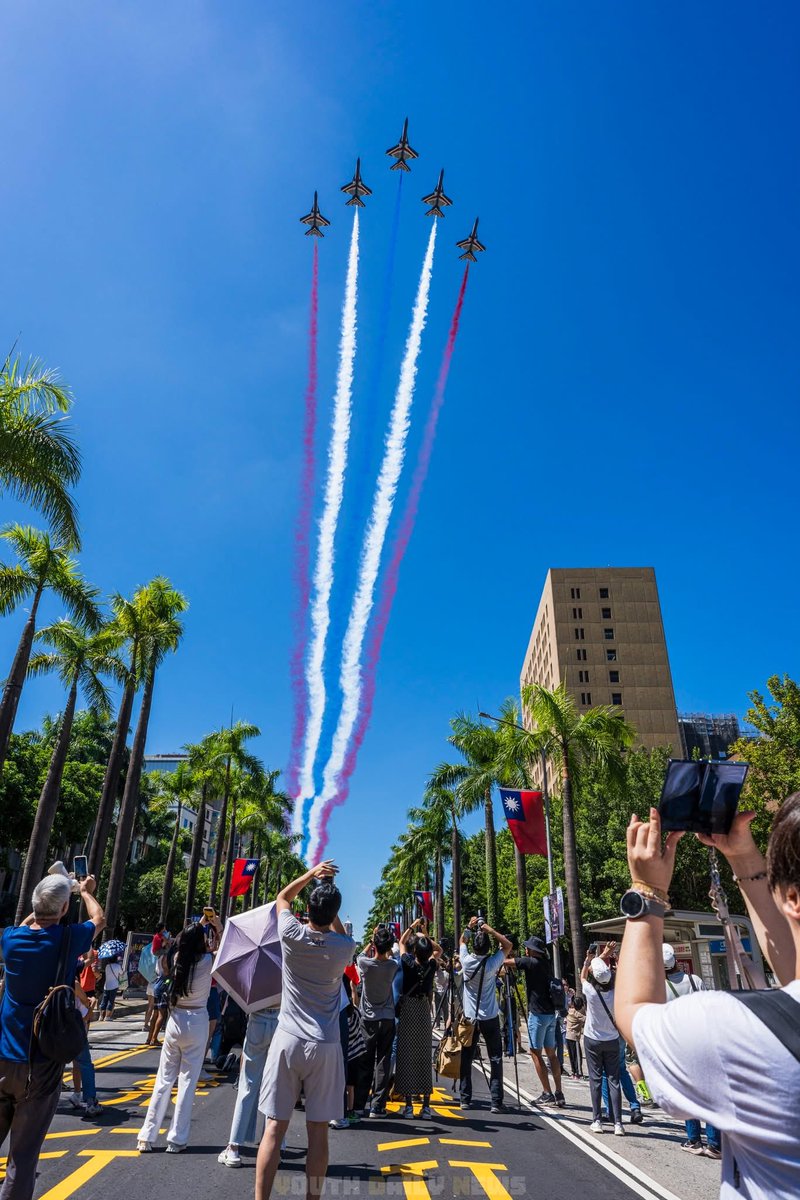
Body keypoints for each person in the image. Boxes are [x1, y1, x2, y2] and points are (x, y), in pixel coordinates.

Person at [616, 800, 800, 1199]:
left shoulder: (738, 1028)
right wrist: (744, 856)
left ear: (792, 899)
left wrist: (646, 893)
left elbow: (632, 1011)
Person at [0, 872, 104, 1200]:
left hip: (3, 1056)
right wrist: (84, 891)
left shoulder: (10, 939)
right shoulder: (67, 938)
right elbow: (98, 919)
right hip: (40, 1062)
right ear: (63, 909)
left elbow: (26, 922)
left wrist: (48, 895)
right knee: (23, 1157)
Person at [256, 862, 355, 1200]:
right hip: (325, 1043)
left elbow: (282, 897)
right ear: (334, 912)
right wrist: (330, 898)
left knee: (274, 1127)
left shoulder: (292, 934)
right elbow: (341, 933)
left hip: (288, 1038)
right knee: (318, 1133)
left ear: (307, 910)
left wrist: (312, 875)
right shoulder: (343, 948)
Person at [137, 913, 220, 1152]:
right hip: (197, 1020)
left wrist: (198, 926)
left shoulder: (176, 958)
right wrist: (216, 926)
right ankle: (176, 1139)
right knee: (187, 1082)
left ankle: (146, 1136)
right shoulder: (208, 961)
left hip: (175, 1021)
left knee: (163, 1080)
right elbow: (225, 949)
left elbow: (179, 941)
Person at [659, 943, 720, 1156]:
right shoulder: (695, 980)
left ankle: (694, 1140)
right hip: (702, 1040)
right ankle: (715, 1144)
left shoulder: (660, 987)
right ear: (676, 961)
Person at [218, 1002, 281, 1167]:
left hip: (258, 1018)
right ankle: (273, 1148)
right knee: (275, 1087)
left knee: (247, 1086)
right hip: (281, 1019)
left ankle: (233, 1148)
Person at [460, 916, 512, 1114]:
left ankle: (465, 1098)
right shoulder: (492, 963)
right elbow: (508, 945)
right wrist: (490, 930)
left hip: (470, 1018)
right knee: (495, 1058)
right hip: (490, 1016)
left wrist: (469, 926)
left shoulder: (466, 961)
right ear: (488, 948)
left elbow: (462, 941)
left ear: (473, 946)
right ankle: (496, 1102)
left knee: (466, 1058)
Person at [506, 934, 564, 1107]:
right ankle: (559, 1092)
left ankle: (547, 1093)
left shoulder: (531, 962)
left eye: (527, 947)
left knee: (535, 1053)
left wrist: (505, 952)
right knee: (551, 1054)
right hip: (550, 1014)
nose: (525, 949)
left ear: (531, 950)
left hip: (538, 1015)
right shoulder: (546, 963)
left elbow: (506, 963)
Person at [395, 919, 442, 1118]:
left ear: (414, 951)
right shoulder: (432, 965)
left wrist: (413, 927)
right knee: (423, 1057)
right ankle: (426, 1106)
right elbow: (438, 950)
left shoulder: (408, 963)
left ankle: (408, 1106)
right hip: (423, 1009)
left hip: (408, 1009)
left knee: (406, 1056)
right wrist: (426, 933)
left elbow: (401, 942)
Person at [355, 926, 399, 1117]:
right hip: (387, 1018)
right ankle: (377, 1106)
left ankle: (359, 1104)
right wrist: (386, 945)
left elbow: (360, 955)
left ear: (374, 945)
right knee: (383, 1061)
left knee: (365, 1062)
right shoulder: (392, 966)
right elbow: (396, 953)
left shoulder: (365, 964)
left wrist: (372, 940)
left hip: (368, 1019)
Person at [581, 946, 625, 1136]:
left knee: (596, 1080)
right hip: (612, 1039)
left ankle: (597, 1120)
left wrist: (588, 960)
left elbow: (583, 976)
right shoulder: (617, 991)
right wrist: (615, 961)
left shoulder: (590, 991)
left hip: (592, 1039)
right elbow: (620, 976)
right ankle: (618, 1123)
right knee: (614, 1081)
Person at [565, 993, 586, 1078]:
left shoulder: (569, 1011)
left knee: (571, 1055)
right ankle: (578, 1073)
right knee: (577, 1056)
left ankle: (573, 1072)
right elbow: (586, 1019)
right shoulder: (577, 1014)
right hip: (574, 1037)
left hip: (567, 1036)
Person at [98, 954, 122, 1020]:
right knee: (111, 1001)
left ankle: (101, 1016)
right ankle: (107, 1016)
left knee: (104, 1001)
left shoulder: (107, 966)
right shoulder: (118, 966)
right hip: (114, 986)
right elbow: (122, 973)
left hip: (106, 986)